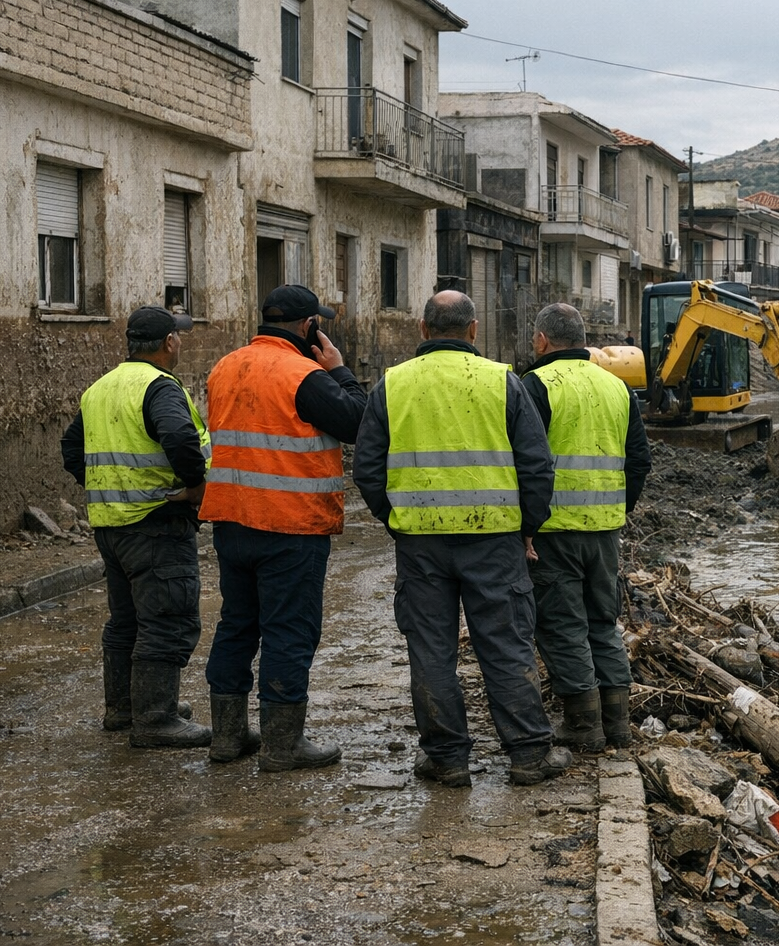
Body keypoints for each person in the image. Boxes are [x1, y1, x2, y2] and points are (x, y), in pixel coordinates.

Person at [353, 290, 570, 788]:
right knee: (506, 644)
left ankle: (448, 760)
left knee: (430, 650)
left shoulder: (392, 385)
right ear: (473, 331)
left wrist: (398, 520)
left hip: (421, 545)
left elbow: (367, 469)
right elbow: (537, 467)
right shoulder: (503, 382)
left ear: (423, 331)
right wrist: (526, 529)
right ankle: (529, 756)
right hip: (495, 542)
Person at [199, 285, 366, 771]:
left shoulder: (224, 366)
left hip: (232, 520)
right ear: (308, 326)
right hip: (290, 525)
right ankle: (281, 745)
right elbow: (357, 422)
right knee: (288, 630)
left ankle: (227, 738)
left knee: (237, 624)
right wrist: (338, 369)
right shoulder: (305, 374)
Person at [60, 306, 212, 749]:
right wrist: (195, 487)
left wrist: (107, 486)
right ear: (168, 342)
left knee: (127, 620)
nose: (180, 343)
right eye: (178, 337)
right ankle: (155, 719)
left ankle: (124, 708)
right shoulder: (159, 387)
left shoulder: (101, 388)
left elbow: (72, 447)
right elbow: (181, 438)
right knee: (166, 618)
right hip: (155, 522)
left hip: (111, 525)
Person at [522, 304, 651, 750]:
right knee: (602, 622)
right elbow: (639, 461)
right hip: (605, 530)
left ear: (541, 340)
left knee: (562, 626)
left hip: (554, 531)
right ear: (584, 340)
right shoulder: (618, 388)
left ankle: (582, 725)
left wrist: (526, 526)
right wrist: (619, 509)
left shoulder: (534, 386)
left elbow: (529, 463)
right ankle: (616, 725)